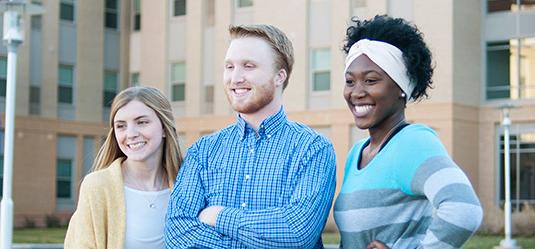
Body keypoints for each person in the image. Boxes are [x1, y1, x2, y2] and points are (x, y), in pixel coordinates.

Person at [164, 24, 336, 249]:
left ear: (279, 76)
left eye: (248, 66)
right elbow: (178, 234)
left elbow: (297, 233)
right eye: (229, 67)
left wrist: (219, 217)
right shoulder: (203, 151)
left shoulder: (312, 149)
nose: (235, 78)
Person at [333, 15, 483, 249]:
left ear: (401, 88)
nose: (357, 92)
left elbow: (464, 209)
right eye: (350, 81)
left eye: (371, 80)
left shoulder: (412, 142)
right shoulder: (357, 153)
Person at [64, 86, 183, 248]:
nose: (131, 134)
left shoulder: (186, 184)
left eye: (142, 122)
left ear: (164, 128)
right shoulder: (97, 186)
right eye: (121, 126)